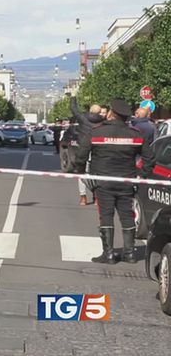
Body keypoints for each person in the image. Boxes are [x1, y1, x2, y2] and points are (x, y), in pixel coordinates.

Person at [75, 99, 153, 264]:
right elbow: (149, 158)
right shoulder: (135, 134)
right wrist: (142, 176)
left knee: (106, 215)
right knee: (127, 215)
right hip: (127, 181)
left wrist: (81, 172)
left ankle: (108, 254)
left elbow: (81, 155)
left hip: (103, 182)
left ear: (111, 113)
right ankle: (130, 254)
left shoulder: (97, 132)